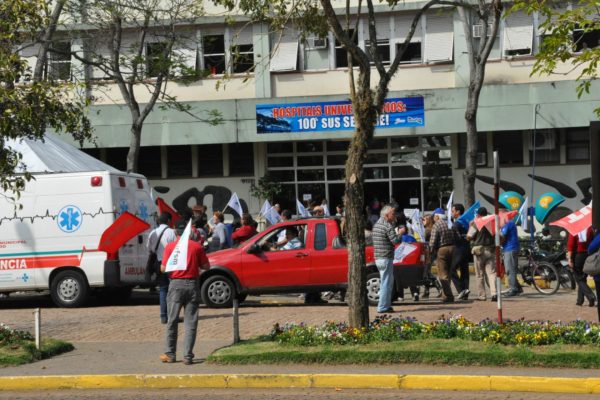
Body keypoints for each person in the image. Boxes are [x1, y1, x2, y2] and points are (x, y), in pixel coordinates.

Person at [159, 220, 210, 365]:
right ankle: (187, 356)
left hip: (175, 285)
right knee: (191, 322)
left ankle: (170, 354)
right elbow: (206, 266)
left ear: (175, 232)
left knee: (172, 320)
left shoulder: (170, 247)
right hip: (192, 284)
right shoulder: (197, 247)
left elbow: (163, 268)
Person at [373, 205, 405, 313]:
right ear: (387, 215)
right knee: (387, 283)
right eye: (392, 213)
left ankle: (385, 305)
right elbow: (395, 241)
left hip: (378, 257)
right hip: (386, 257)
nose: (394, 215)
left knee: (384, 282)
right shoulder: (387, 226)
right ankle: (383, 307)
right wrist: (400, 233)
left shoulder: (377, 224)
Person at [147, 212, 177, 324]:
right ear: (168, 221)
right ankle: (172, 315)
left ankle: (163, 316)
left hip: (158, 263)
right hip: (170, 263)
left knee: (163, 289)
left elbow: (149, 248)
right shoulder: (171, 233)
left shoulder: (153, 233)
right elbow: (176, 248)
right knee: (172, 289)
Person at [467, 207, 497, 301]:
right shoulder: (492, 223)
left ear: (478, 214)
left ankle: (482, 296)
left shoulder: (476, 223)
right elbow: (499, 235)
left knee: (479, 274)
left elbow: (468, 236)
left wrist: (469, 226)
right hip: (491, 250)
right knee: (491, 273)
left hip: (479, 251)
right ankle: (494, 293)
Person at [429, 208, 455, 303]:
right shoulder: (450, 223)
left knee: (442, 274)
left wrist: (430, 252)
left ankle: (449, 296)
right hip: (452, 248)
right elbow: (457, 236)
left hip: (442, 250)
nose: (433, 218)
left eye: (434, 216)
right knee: (448, 273)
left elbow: (433, 241)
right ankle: (445, 295)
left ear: (437, 216)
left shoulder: (437, 224)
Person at [567, 226, 596, 307]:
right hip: (587, 255)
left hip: (578, 256)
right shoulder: (589, 229)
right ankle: (580, 301)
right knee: (583, 278)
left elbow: (570, 246)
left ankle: (591, 296)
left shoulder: (574, 230)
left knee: (579, 279)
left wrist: (569, 259)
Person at [451, 204, 470, 300]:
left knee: (452, 269)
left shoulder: (457, 223)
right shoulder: (466, 222)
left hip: (459, 248)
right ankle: (465, 291)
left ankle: (461, 290)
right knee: (464, 270)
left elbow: (455, 238)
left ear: (458, 212)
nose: (451, 213)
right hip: (466, 248)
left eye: (453, 211)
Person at [500, 211, 522, 297]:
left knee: (510, 270)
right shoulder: (508, 223)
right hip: (510, 248)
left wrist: (499, 243)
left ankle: (513, 289)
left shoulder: (508, 223)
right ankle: (518, 287)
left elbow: (503, 236)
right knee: (511, 269)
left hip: (510, 248)